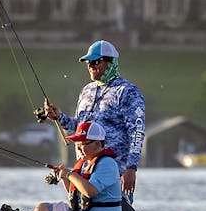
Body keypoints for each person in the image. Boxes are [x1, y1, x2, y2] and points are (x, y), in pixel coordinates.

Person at [43, 40, 145, 200]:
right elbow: (78, 128)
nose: (91, 66)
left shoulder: (127, 92)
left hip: (114, 172)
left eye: (96, 61)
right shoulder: (87, 90)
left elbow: (137, 132)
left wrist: (131, 168)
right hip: (85, 172)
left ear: (111, 62)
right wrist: (59, 117)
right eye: (88, 62)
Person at [31, 121, 124, 211]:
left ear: (97, 144)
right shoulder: (85, 163)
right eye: (77, 144)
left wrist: (70, 174)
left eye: (82, 144)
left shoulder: (107, 163)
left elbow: (90, 191)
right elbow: (75, 193)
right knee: (41, 210)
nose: (78, 148)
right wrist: (64, 177)